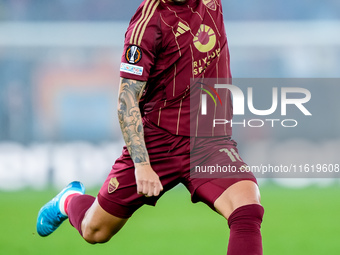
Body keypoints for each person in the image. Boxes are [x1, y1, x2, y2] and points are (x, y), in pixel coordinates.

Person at [37, 0, 264, 254]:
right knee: (95, 230)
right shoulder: (147, 25)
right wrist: (142, 165)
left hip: (209, 141)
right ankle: (68, 201)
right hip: (157, 142)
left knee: (247, 209)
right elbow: (126, 100)